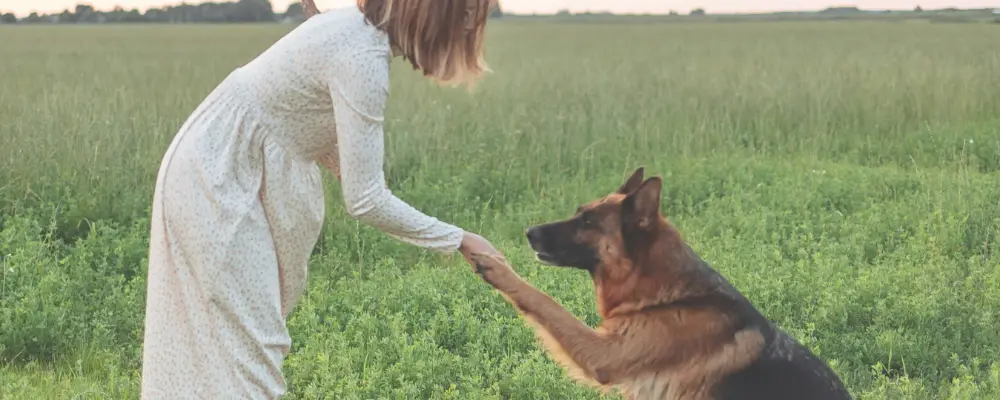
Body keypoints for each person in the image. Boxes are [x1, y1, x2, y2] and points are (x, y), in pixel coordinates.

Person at [139, 0, 501, 398]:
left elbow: (299, 119)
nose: (470, 20)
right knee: (251, 352)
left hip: (222, 165)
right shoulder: (361, 55)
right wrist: (460, 239)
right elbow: (365, 199)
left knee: (238, 344)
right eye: (466, 8)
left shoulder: (355, 32)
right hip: (216, 177)